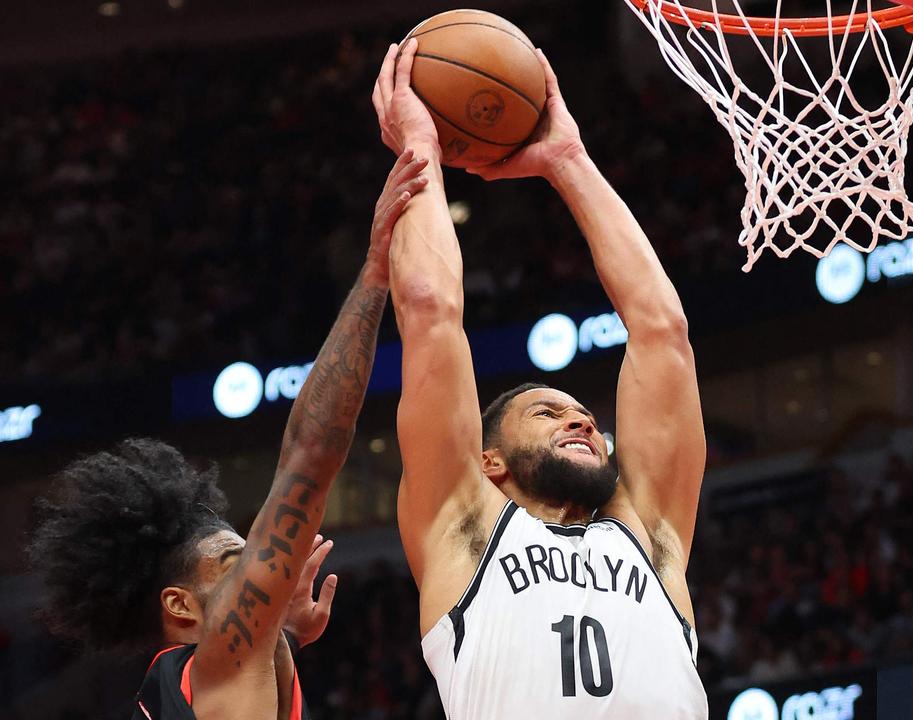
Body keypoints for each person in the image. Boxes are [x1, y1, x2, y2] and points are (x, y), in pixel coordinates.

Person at [26, 150, 432, 719]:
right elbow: (309, 455)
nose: (266, 566)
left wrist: (283, 634)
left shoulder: (187, 684)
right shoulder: (215, 664)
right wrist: (374, 272)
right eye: (234, 562)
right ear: (182, 606)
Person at [372, 38, 708, 718]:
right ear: (488, 460)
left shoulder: (649, 535)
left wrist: (568, 160)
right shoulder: (462, 529)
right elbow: (432, 313)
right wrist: (419, 149)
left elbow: (661, 332)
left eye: (582, 414)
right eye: (548, 414)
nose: (583, 420)